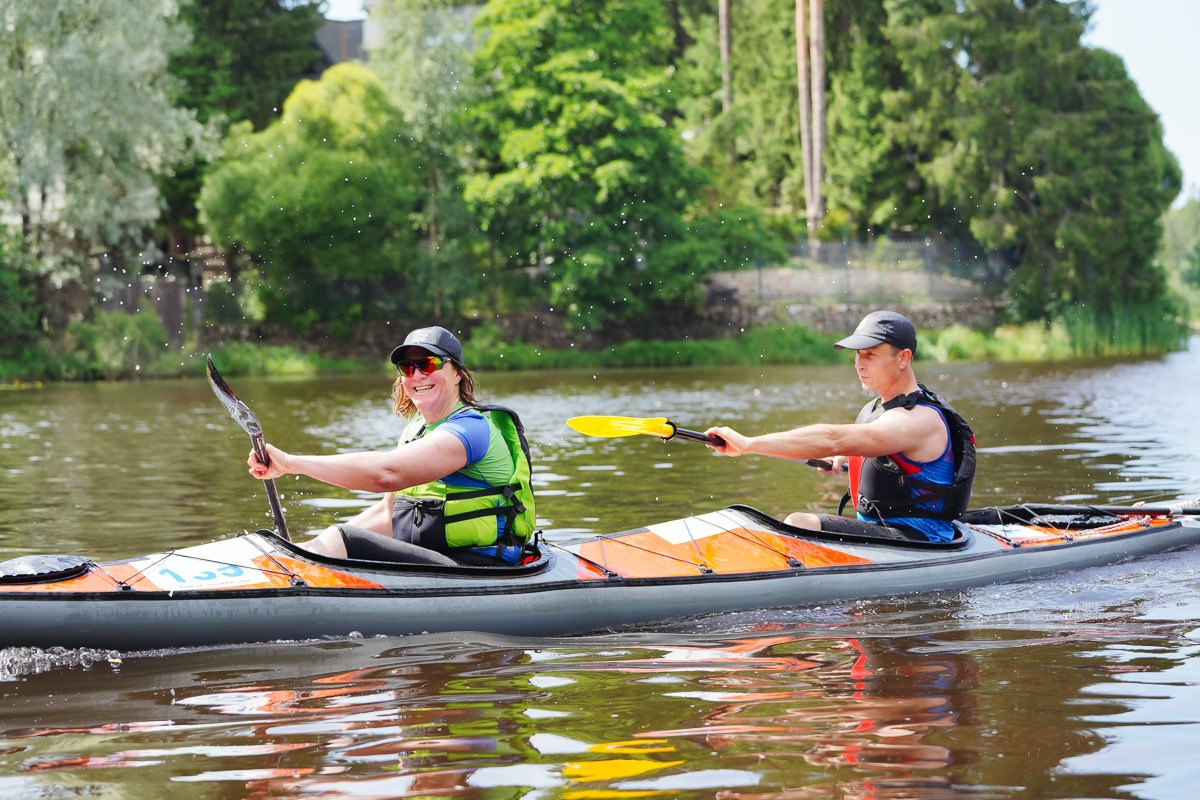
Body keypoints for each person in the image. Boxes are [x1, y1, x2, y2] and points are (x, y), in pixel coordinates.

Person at [247, 326, 536, 565]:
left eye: (429, 363)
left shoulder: (470, 429)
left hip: (480, 565)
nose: (417, 375)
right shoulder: (415, 431)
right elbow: (388, 515)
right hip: (440, 559)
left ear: (457, 373)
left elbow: (384, 475)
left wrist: (289, 463)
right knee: (338, 538)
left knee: (343, 539)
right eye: (407, 367)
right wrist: (307, 549)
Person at [705, 310, 975, 543]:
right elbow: (869, 448)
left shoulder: (917, 419)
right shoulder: (874, 410)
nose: (860, 364)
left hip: (922, 538)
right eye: (858, 354)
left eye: (870, 354)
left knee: (800, 522)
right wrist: (845, 458)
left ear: (903, 358)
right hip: (881, 530)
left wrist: (749, 444)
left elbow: (831, 437)